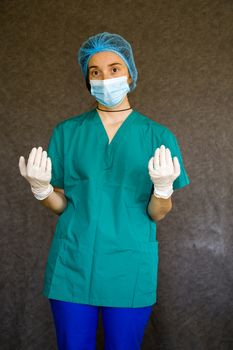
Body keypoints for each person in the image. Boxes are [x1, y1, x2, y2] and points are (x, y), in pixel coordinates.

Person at [18, 32, 190, 350]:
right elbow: (61, 205)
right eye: (95, 72)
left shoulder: (157, 135)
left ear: (129, 74)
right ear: (87, 78)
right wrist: (42, 190)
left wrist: (163, 189)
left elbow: (158, 212)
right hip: (73, 262)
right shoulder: (68, 132)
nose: (104, 78)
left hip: (129, 264)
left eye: (114, 68)